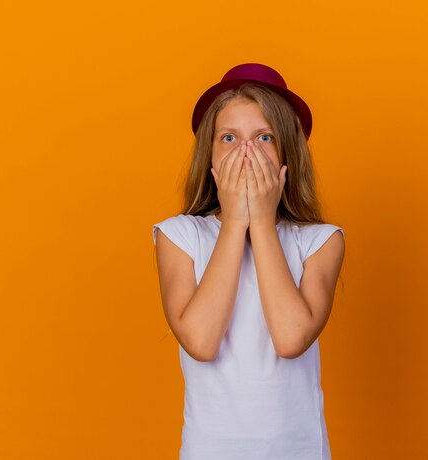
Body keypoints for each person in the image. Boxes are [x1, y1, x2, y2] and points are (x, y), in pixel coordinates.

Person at [152, 63, 345, 459]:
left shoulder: (319, 241)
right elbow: (201, 342)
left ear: (287, 155)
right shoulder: (180, 236)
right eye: (229, 137)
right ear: (209, 154)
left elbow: (291, 339)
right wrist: (235, 219)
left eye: (263, 137)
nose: (246, 151)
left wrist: (260, 220)